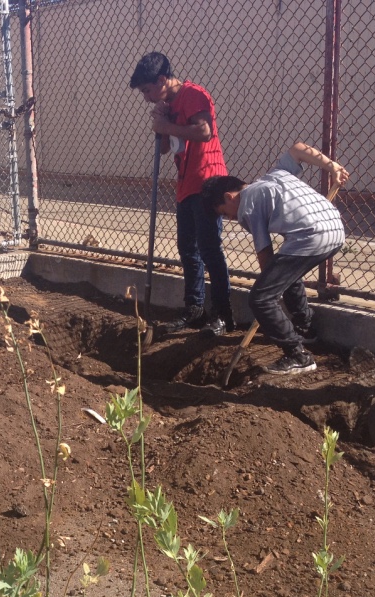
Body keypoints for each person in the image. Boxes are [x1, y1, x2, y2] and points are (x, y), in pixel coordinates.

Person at [201, 142, 348, 374]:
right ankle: (305, 327)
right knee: (286, 272)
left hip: (311, 237)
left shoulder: (247, 206)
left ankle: (298, 355)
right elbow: (298, 148)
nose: (228, 218)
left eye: (223, 213)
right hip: (335, 231)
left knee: (260, 298)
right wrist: (332, 167)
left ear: (229, 197)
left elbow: (265, 254)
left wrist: (269, 289)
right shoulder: (276, 174)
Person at [130, 52, 234, 337]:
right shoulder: (169, 104)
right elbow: (165, 149)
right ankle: (195, 309)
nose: (146, 97)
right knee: (187, 248)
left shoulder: (194, 95)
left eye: (148, 90)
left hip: (208, 181)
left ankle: (223, 314)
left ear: (162, 80)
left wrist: (166, 126)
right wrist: (162, 124)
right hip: (186, 184)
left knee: (209, 248)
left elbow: (204, 132)